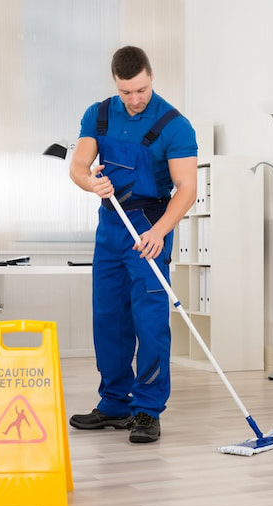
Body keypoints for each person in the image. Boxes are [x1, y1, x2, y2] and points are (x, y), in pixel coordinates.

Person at [68, 46, 198, 443]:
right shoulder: (99, 113)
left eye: (140, 89)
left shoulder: (175, 125)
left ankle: (146, 410)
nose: (135, 99)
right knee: (109, 317)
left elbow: (187, 189)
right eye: (126, 92)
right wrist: (91, 182)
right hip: (111, 225)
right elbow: (77, 166)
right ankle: (113, 404)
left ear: (151, 76)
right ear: (115, 84)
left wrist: (160, 232)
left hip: (149, 226)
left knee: (150, 319)